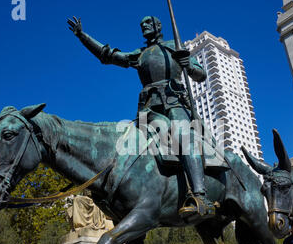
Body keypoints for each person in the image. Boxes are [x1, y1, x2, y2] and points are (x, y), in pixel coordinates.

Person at [67, 16, 214, 221]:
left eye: (147, 23)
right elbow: (108, 56)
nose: (143, 26)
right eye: (141, 25)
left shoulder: (174, 46)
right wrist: (83, 36)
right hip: (149, 109)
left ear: (158, 26)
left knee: (182, 136)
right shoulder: (140, 54)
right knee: (130, 144)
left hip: (175, 103)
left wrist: (187, 64)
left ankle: (200, 197)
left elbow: (201, 74)